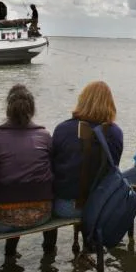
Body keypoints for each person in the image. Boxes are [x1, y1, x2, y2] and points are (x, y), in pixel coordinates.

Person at [0, 85, 53, 236]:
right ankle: (48, 252)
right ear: (32, 109)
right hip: (41, 215)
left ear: (8, 108)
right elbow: (51, 171)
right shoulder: (44, 135)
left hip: (0, 219)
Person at [50, 81, 124, 220]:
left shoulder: (62, 129)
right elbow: (113, 167)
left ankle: (50, 242)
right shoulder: (116, 132)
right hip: (103, 206)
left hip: (67, 207)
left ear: (82, 100)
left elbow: (53, 165)